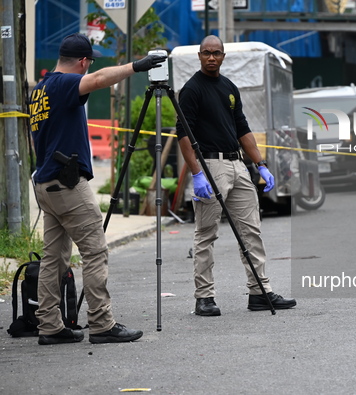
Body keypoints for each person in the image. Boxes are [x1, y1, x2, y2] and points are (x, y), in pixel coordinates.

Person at [29, 33, 166, 345]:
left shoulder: (39, 90)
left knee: (54, 258)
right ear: (83, 61)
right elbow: (99, 79)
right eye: (88, 64)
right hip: (66, 184)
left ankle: (49, 325)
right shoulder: (65, 84)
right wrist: (137, 65)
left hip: (45, 182)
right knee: (95, 250)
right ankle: (102, 323)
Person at [175, 35, 297, 316]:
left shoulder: (229, 88)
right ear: (199, 55)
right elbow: (183, 134)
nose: (211, 58)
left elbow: (242, 128)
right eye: (206, 53)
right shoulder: (191, 90)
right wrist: (197, 174)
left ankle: (260, 292)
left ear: (223, 56)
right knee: (206, 234)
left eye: (216, 53)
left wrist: (260, 164)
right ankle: (204, 297)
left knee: (251, 231)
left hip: (238, 165)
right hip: (210, 166)